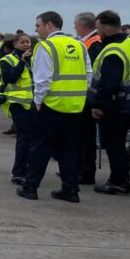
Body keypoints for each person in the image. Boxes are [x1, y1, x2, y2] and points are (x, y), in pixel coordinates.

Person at [16, 11, 91, 203]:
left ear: (49, 25)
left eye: (38, 25)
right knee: (68, 150)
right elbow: (89, 75)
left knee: (40, 147)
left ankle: (31, 186)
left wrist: (38, 102)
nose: (36, 29)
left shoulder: (46, 46)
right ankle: (70, 189)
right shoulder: (79, 45)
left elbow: (42, 79)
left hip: (51, 105)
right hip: (75, 106)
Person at [90, 10, 130, 195]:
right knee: (117, 144)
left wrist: (98, 106)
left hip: (115, 106)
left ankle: (119, 182)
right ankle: (118, 179)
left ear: (106, 27)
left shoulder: (113, 51)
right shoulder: (129, 43)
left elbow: (108, 84)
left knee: (114, 146)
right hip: (128, 103)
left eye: (98, 29)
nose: (97, 33)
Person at [74, 12, 104, 184]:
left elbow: (91, 72)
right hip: (84, 95)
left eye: (75, 24)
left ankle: (86, 172)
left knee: (86, 136)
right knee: (81, 135)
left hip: (87, 96)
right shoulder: (87, 42)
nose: (74, 27)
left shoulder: (93, 43)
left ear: (82, 25)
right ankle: (79, 168)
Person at [0, 35, 34, 182]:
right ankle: (19, 172)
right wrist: (22, 61)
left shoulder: (35, 60)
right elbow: (10, 78)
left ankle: (29, 169)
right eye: (22, 42)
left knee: (32, 137)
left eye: (28, 42)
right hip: (16, 103)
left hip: (33, 102)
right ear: (15, 44)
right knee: (24, 137)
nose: (26, 44)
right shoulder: (6, 60)